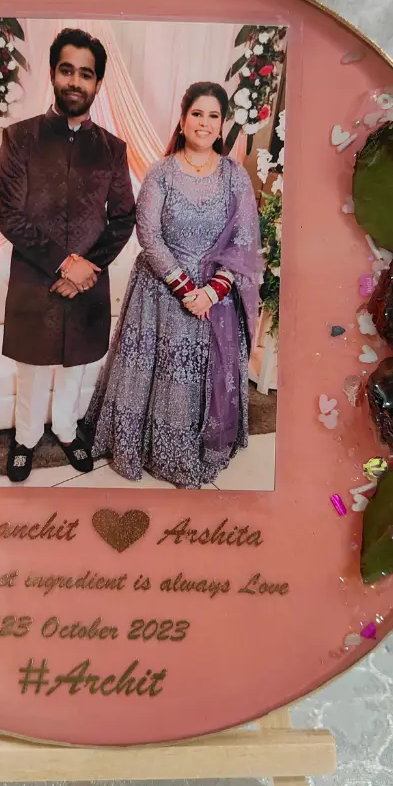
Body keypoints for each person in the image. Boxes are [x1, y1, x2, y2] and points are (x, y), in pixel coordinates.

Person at [84, 82, 263, 488]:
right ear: (182, 121)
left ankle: (201, 441)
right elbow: (148, 233)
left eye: (213, 116)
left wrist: (212, 291)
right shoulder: (161, 172)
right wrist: (184, 287)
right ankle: (150, 446)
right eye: (197, 114)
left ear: (222, 125)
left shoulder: (235, 177)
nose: (204, 123)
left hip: (215, 296)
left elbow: (244, 240)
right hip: (160, 291)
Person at [0, 28, 136, 482]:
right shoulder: (20, 138)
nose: (75, 82)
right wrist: (63, 263)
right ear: (53, 74)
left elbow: (123, 218)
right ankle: (26, 438)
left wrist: (85, 269)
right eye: (67, 70)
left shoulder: (112, 149)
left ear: (98, 83)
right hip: (36, 277)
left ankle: (69, 431)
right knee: (32, 371)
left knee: (77, 368)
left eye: (86, 74)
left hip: (89, 280)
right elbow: (8, 213)